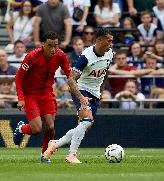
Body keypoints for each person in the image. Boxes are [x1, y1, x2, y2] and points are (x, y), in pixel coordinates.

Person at [43, 28, 114, 163]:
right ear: (99, 40)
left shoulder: (110, 54)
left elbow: (106, 71)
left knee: (84, 126)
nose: (111, 44)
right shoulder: (86, 57)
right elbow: (70, 80)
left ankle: (55, 144)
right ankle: (72, 155)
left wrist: (102, 90)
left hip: (95, 93)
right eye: (109, 41)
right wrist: (81, 97)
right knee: (87, 120)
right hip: (81, 89)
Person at [13, 31, 72, 163]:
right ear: (43, 45)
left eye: (56, 45)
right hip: (30, 95)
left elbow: (69, 73)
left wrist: (76, 89)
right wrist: (21, 98)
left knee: (50, 126)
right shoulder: (32, 56)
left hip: (47, 93)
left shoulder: (61, 55)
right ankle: (21, 128)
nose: (53, 49)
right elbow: (19, 77)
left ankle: (45, 155)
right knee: (37, 129)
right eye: (50, 45)